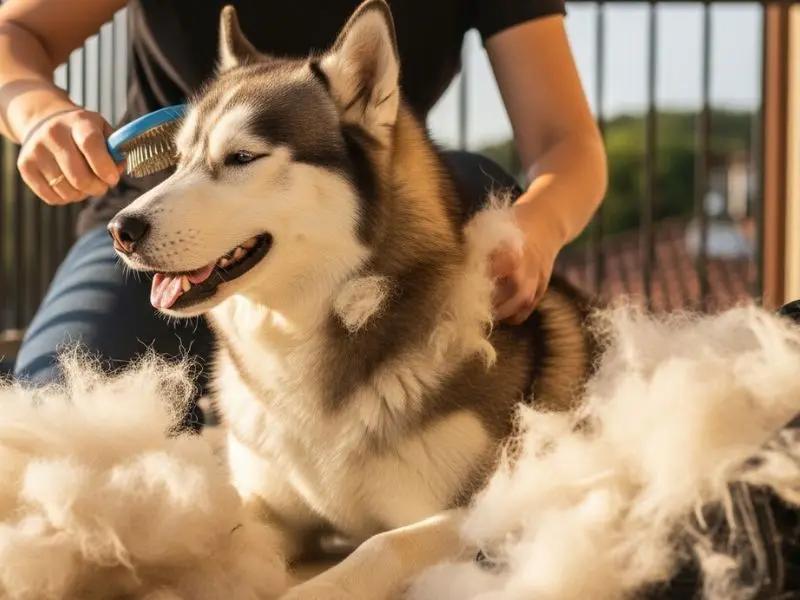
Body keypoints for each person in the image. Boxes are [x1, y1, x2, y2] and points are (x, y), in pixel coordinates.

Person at [0, 0, 607, 430]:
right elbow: (14, 34)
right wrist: (41, 116)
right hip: (150, 229)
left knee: (472, 183)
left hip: (377, 225)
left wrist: (535, 228)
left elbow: (566, 141)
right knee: (57, 433)